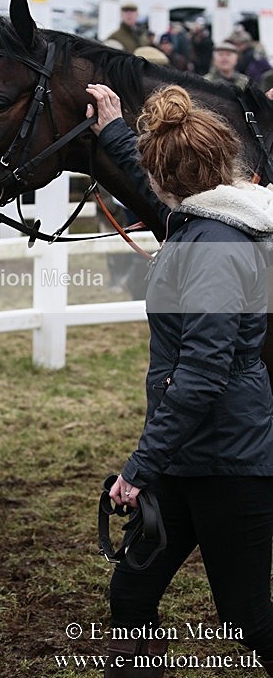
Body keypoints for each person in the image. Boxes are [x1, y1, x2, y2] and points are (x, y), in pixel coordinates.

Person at [85, 82, 273, 677]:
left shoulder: (212, 246)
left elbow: (201, 374)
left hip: (226, 460)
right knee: (132, 597)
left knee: (248, 618)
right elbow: (154, 196)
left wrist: (139, 468)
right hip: (185, 455)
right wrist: (115, 133)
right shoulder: (199, 223)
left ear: (170, 176)